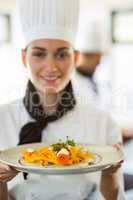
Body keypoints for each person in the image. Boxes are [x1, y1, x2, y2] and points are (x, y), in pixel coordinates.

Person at [0, 0, 125, 199]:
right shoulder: (2, 119)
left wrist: (109, 175)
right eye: (39, 54)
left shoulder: (104, 123)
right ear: (24, 58)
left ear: (75, 58)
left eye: (61, 54)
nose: (51, 67)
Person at [73, 18, 112, 110]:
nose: (98, 63)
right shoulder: (71, 86)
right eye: (95, 57)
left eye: (100, 57)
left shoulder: (100, 84)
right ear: (79, 55)